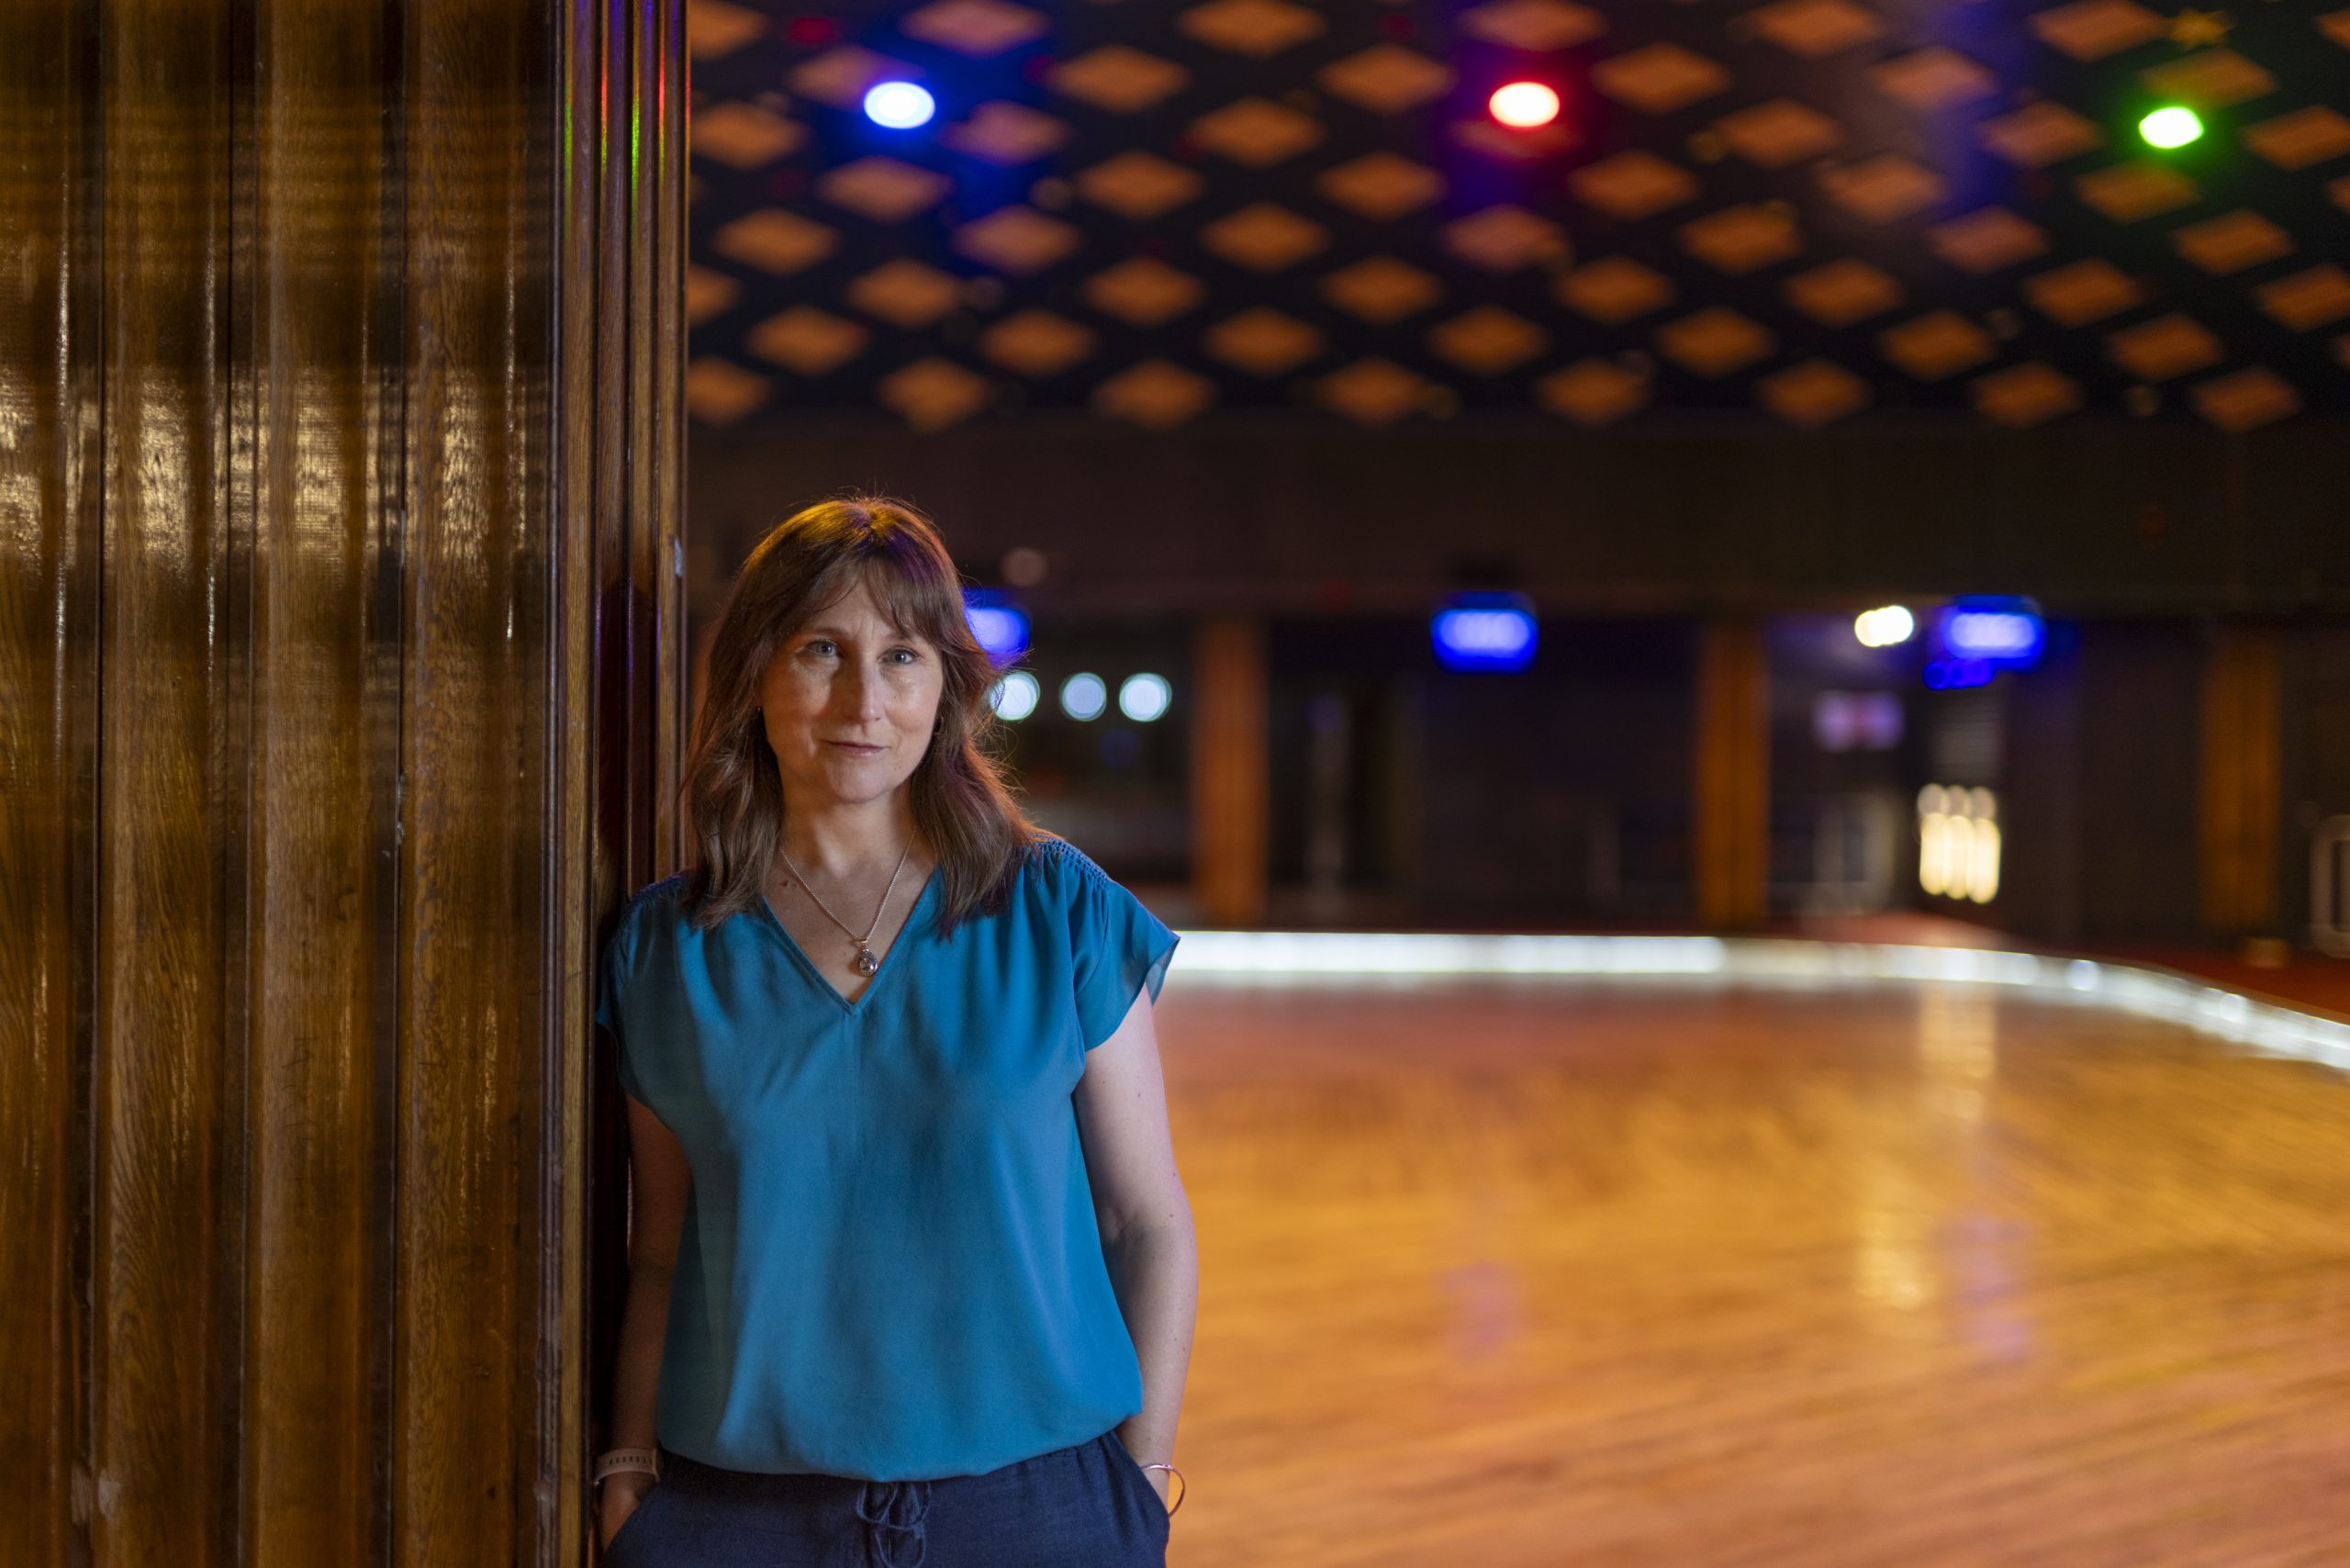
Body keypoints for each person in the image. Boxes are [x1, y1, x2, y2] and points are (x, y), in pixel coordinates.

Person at [590, 495, 1194, 1566]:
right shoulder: (662, 949)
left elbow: (1145, 1220)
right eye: (822, 649)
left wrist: (1137, 1483)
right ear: (755, 675)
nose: (865, 699)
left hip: (1039, 1513)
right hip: (738, 1519)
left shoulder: (1058, 911)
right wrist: (629, 1464)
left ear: (945, 686)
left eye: (903, 655)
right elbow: (658, 1249)